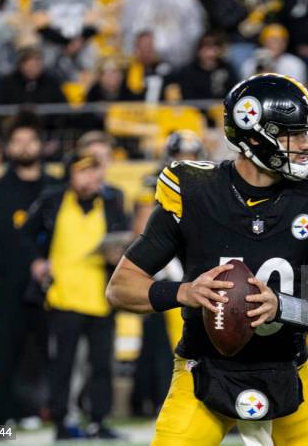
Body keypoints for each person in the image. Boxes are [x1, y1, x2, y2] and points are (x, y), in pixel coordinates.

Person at [106, 73, 308, 445]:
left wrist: (281, 307)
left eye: (306, 133)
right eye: (293, 134)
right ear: (253, 136)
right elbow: (121, 288)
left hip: (287, 371)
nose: (305, 145)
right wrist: (184, 292)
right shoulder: (195, 191)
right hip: (205, 371)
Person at [22, 150, 128, 440]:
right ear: (70, 174)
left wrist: (117, 253)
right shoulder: (52, 200)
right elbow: (25, 234)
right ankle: (61, 421)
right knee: (64, 365)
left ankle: (99, 421)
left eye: (95, 170)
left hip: (101, 296)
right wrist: (36, 261)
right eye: (84, 170)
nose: (92, 176)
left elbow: (126, 240)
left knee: (101, 365)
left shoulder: (111, 202)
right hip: (63, 296)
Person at [0, 112, 58, 426]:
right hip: (7, 286)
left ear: (41, 145)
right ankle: (3, 415)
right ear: (8, 147)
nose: (25, 147)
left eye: (31, 140)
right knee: (5, 351)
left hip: (54, 286)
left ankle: (51, 410)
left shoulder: (56, 187)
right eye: (18, 141)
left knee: (52, 353)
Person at [130, 130, 203, 417]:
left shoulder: (210, 185)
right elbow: (142, 233)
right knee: (164, 343)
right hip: (167, 268)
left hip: (194, 264)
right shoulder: (156, 183)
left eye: (191, 156)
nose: (186, 162)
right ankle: (160, 399)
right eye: (180, 156)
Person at [31, 0, 99, 82]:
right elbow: (40, 26)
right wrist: (66, 44)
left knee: (89, 62)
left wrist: (77, 42)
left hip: (81, 44)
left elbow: (93, 26)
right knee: (46, 65)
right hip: (52, 43)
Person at [0, 45, 66, 105]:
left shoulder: (51, 83)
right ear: (21, 65)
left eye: (37, 64)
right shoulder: (6, 84)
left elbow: (62, 107)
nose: (33, 69)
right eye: (30, 65)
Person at [171, 32, 238, 100]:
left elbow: (234, 93)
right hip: (194, 108)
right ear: (198, 51)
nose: (210, 54)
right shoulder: (188, 71)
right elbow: (187, 97)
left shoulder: (226, 69)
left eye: (214, 49)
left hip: (221, 108)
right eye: (206, 49)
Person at [241, 24, 307, 83]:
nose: (277, 45)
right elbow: (246, 90)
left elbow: (299, 90)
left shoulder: (294, 63)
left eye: (281, 41)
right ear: (263, 42)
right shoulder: (251, 63)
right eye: (273, 40)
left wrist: (271, 71)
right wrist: (259, 70)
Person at [126, 31, 174, 103]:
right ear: (136, 49)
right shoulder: (129, 70)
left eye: (150, 46)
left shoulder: (166, 68)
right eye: (144, 47)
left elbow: (174, 98)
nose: (147, 50)